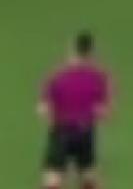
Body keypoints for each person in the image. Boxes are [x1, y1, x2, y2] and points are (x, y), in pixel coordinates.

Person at [39, 31, 111, 189]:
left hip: (61, 130)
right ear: (92, 52)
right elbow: (103, 112)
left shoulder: (57, 76)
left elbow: (44, 109)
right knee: (88, 177)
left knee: (53, 179)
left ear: (72, 49)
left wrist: (56, 122)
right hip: (85, 130)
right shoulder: (98, 78)